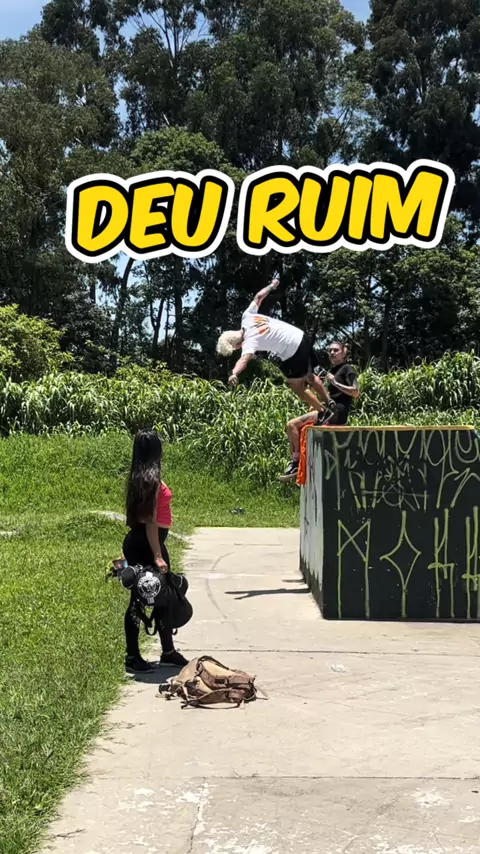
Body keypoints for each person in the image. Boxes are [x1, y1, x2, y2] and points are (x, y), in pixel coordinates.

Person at [216, 277, 335, 415]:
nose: (238, 349)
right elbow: (259, 297)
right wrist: (272, 286)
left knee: (295, 385)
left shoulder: (249, 341)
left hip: (293, 350)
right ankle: (329, 401)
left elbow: (244, 360)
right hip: (301, 336)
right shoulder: (247, 316)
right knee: (310, 376)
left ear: (236, 344)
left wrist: (234, 373)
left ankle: (322, 412)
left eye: (236, 349)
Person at [123, 428, 189, 674]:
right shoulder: (149, 480)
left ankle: (168, 651)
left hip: (146, 541)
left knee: (166, 594)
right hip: (146, 544)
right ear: (155, 451)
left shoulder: (140, 477)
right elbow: (150, 521)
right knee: (139, 598)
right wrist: (158, 556)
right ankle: (132, 656)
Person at [279, 341, 359, 482]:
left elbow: (356, 392)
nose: (332, 353)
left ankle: (295, 463)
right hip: (328, 410)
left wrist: (335, 383)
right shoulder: (332, 371)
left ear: (344, 353)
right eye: (330, 350)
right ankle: (299, 463)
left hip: (336, 413)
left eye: (336, 350)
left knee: (292, 424)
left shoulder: (348, 369)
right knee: (295, 428)